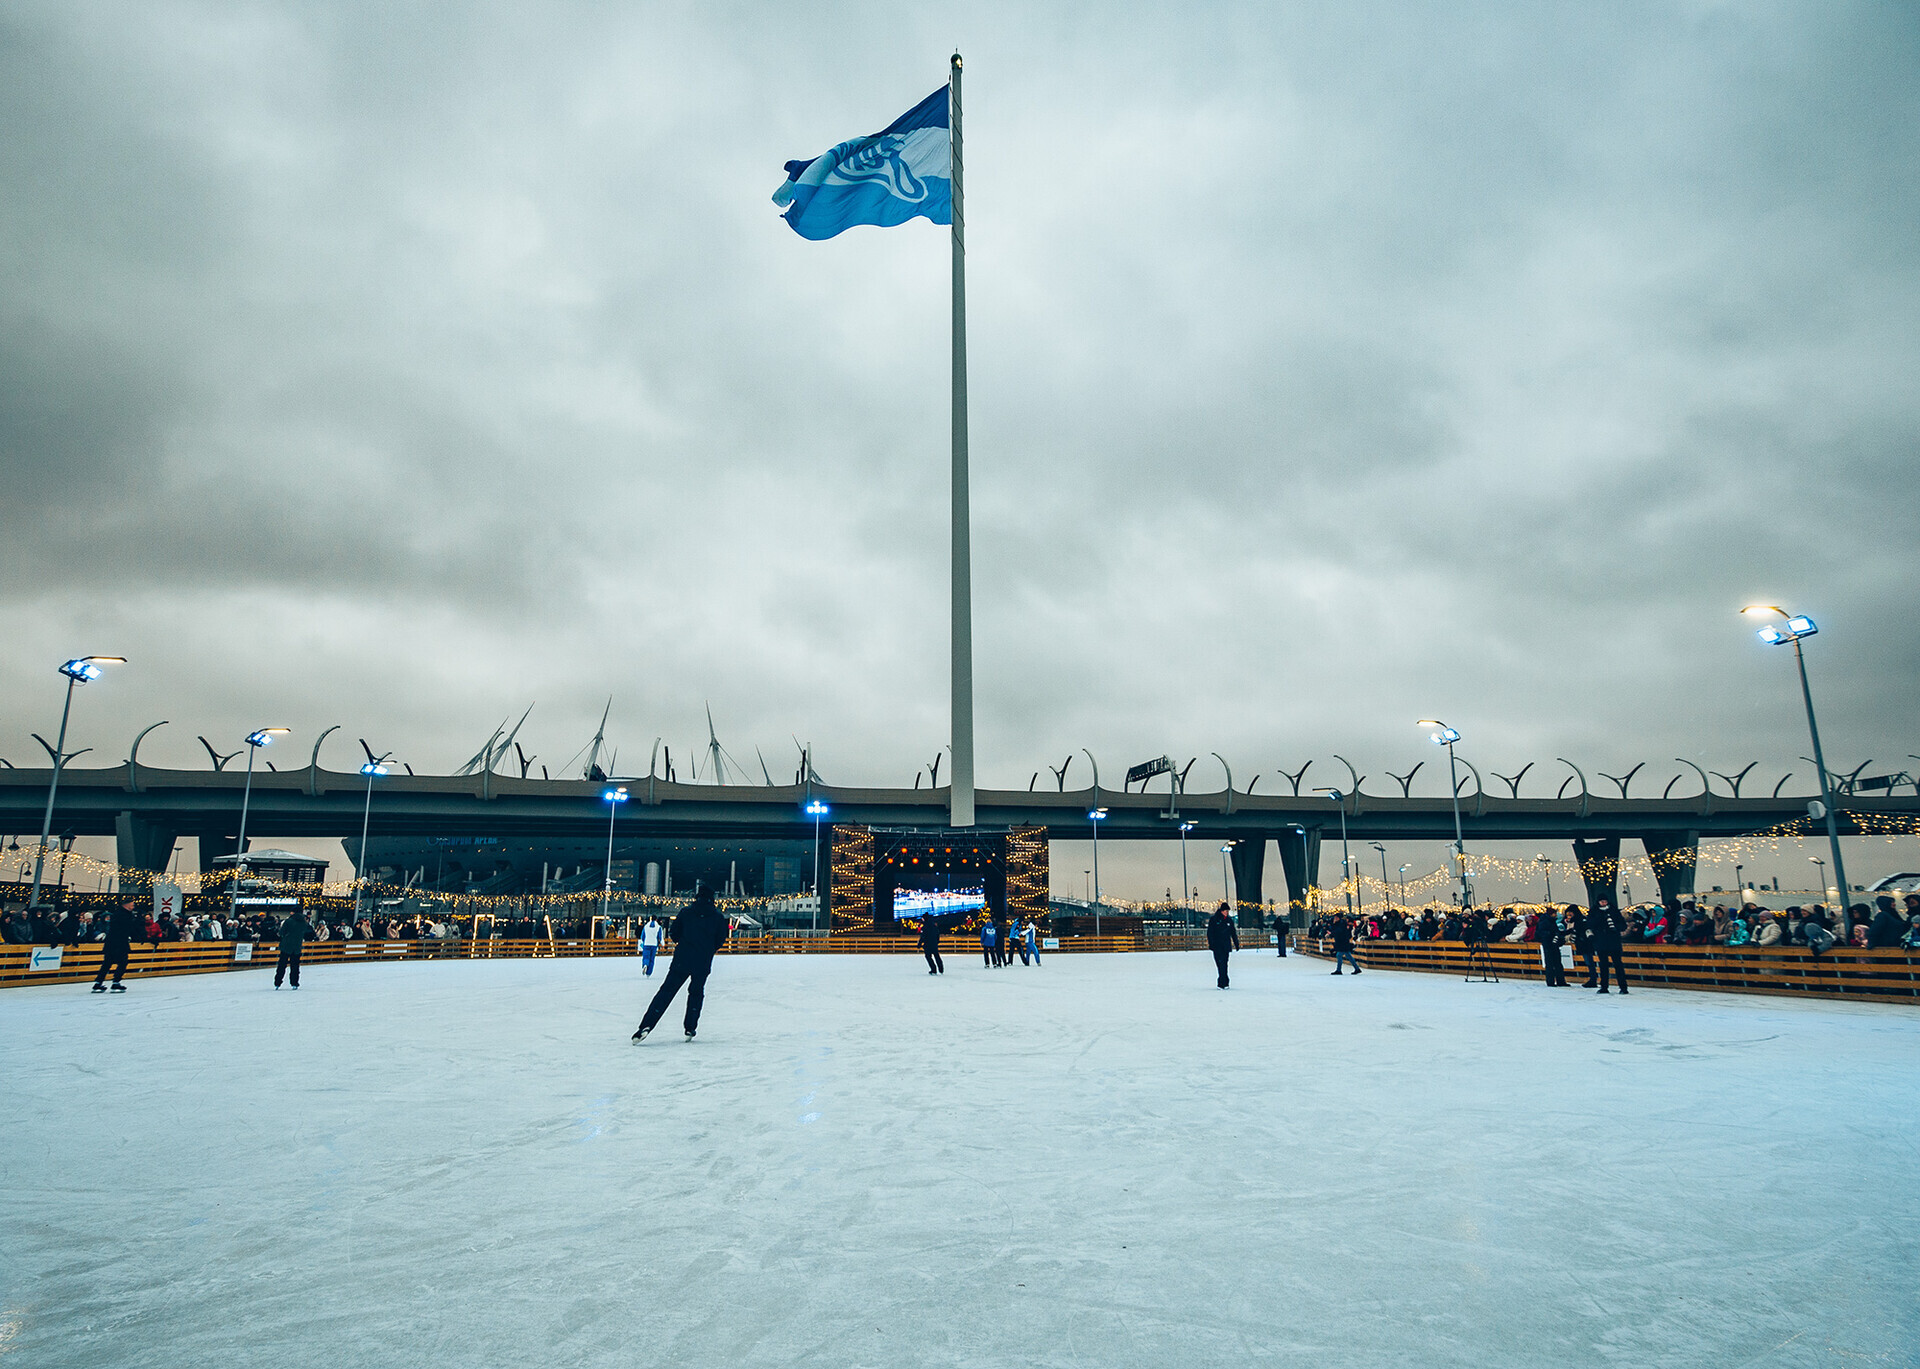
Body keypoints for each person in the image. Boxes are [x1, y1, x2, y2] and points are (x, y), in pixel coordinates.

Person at [632, 890, 730, 1042]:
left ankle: (646, 1025)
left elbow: (674, 933)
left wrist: (684, 943)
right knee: (696, 993)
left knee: (666, 991)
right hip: (703, 961)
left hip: (682, 959)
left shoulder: (686, 912)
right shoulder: (717, 917)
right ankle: (690, 1027)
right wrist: (709, 949)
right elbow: (720, 939)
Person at [91, 898, 142, 993]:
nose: (133, 906)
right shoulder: (123, 915)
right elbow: (128, 927)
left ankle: (99, 982)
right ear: (126, 905)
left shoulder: (118, 914)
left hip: (112, 942)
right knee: (122, 962)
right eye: (132, 904)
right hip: (119, 942)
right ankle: (115, 982)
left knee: (107, 963)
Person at [1590, 898, 1628, 995]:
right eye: (1601, 901)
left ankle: (1623, 987)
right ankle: (1604, 986)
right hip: (1601, 941)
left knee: (1618, 964)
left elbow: (1623, 925)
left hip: (1613, 941)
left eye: (1605, 901)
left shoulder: (1614, 911)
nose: (1603, 903)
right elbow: (1590, 924)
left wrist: (1615, 928)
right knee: (1603, 965)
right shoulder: (1594, 912)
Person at [274, 906, 313, 989]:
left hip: (286, 945)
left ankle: (278, 982)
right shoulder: (304, 922)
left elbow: (281, 932)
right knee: (295, 966)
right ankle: (294, 983)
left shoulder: (288, 921)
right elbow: (307, 933)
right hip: (297, 947)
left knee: (282, 965)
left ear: (293, 912)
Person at [1206, 902, 1240, 987]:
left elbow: (1233, 933)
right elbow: (1210, 933)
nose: (1226, 912)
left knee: (1224, 964)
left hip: (1225, 945)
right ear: (1221, 911)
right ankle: (1223, 981)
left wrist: (1236, 943)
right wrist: (1211, 944)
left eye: (1227, 911)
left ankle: (1223, 982)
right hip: (1217, 945)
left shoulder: (1229, 920)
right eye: (1225, 911)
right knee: (1220, 964)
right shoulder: (1214, 920)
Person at [1535, 905, 1566, 986]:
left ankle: (1559, 981)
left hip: (1552, 943)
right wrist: (1552, 936)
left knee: (1556, 962)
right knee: (1551, 963)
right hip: (1549, 944)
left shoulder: (1549, 921)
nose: (1556, 915)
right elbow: (1543, 933)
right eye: (1555, 914)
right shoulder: (1545, 922)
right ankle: (1552, 981)